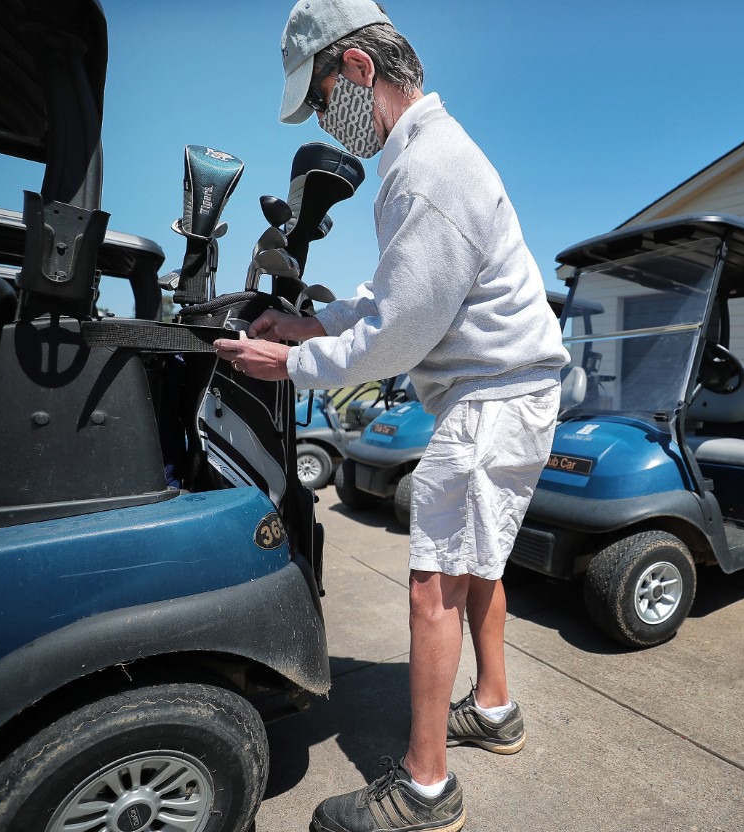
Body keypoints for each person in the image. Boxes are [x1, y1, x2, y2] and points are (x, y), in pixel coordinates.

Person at [214, 2, 569, 830]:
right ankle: (493, 707)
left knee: (432, 586)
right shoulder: (427, 158)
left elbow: (399, 335)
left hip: (495, 396)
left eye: (321, 95)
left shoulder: (430, 167)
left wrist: (290, 361)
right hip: (508, 390)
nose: (320, 117)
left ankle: (425, 788)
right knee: (477, 564)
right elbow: (390, 298)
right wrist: (311, 323)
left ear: (360, 71)